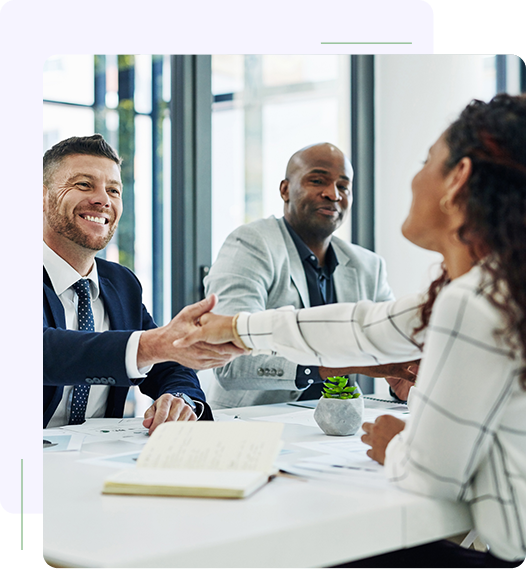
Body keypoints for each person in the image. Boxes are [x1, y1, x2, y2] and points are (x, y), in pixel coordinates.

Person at [174, 94, 526, 567]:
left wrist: (396, 443)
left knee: (309, 548)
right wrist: (237, 326)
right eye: (319, 180)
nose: (334, 193)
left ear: (458, 179)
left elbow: (431, 474)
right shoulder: (498, 285)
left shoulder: (473, 299)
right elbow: (366, 326)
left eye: (425, 162)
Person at [43, 135, 243, 433]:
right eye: (84, 184)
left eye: (114, 190)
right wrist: (154, 345)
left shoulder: (121, 283)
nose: (103, 200)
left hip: (94, 456)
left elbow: (169, 364)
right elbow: (43, 351)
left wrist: (179, 398)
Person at [204, 142, 416, 409]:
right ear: (285, 190)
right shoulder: (250, 244)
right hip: (253, 423)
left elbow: (393, 348)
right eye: (317, 181)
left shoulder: (369, 266)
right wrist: (335, 364)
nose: (333, 194)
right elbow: (229, 360)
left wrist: (402, 385)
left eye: (343, 186)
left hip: (339, 429)